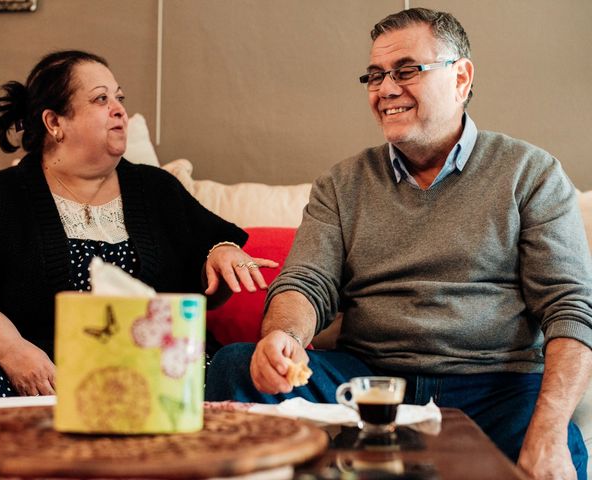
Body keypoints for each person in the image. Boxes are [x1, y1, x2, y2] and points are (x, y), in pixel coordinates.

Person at [206, 8, 592, 480]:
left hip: (495, 388)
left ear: (461, 77)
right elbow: (306, 284)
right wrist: (284, 338)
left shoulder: (530, 173)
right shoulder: (341, 183)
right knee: (235, 366)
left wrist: (548, 430)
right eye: (375, 76)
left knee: (562, 448)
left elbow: (570, 307)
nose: (385, 89)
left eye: (406, 70)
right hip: (367, 384)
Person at [0, 50, 277, 401]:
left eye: (118, 98)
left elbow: (206, 284)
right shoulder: (2, 193)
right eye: (101, 99)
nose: (119, 108)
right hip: (41, 374)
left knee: (238, 370)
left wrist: (221, 255)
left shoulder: (156, 188)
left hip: (155, 372)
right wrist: (14, 352)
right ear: (54, 122)